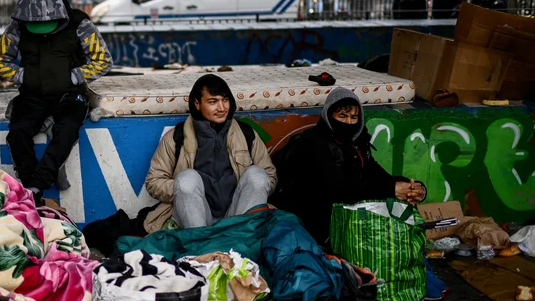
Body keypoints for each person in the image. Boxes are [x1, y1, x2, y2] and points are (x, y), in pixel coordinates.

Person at [0, 0, 111, 203]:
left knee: (67, 130)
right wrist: (22, 76)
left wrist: (73, 77)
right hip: (32, 95)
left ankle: (38, 183)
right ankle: (29, 186)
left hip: (69, 94)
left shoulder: (79, 23)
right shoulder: (19, 26)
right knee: (18, 132)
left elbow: (103, 59)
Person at [271, 88, 427, 245]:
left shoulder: (357, 143)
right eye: (342, 116)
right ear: (328, 116)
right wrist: (392, 189)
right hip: (311, 223)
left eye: (354, 117)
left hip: (343, 218)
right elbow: (339, 188)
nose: (348, 122)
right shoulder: (313, 144)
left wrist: (410, 188)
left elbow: (376, 174)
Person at [143, 74, 278, 230]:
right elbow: (154, 181)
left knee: (257, 175)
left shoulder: (247, 134)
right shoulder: (176, 137)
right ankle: (200, 245)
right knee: (187, 178)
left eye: (225, 100)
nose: (221, 108)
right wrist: (189, 191)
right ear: (197, 103)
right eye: (213, 102)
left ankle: (241, 241)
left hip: (238, 216)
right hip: (194, 219)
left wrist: (245, 193)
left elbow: (269, 177)